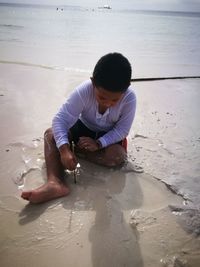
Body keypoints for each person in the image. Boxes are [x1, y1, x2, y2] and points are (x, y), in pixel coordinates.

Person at [21, 52, 136, 204]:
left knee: (117, 157)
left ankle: (78, 152)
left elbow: (122, 130)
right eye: (102, 97)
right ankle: (55, 183)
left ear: (126, 88)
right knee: (50, 135)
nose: (107, 103)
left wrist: (99, 143)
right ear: (93, 82)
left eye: (115, 100)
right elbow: (60, 120)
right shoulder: (84, 90)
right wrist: (63, 150)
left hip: (109, 137)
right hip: (83, 127)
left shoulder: (129, 98)